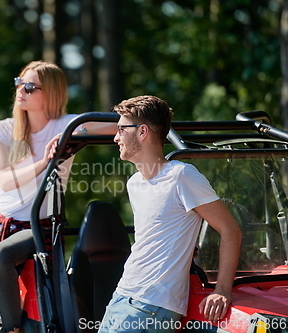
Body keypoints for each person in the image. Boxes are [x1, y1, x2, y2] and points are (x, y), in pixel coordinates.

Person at [0, 60, 114, 333]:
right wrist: (47, 160)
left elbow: (118, 126)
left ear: (50, 93)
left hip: (39, 227)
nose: (20, 90)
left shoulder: (66, 125)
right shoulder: (3, 129)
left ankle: (12, 329)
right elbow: (3, 179)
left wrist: (75, 134)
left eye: (30, 86)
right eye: (19, 82)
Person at [99, 96, 242, 333]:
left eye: (121, 130)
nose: (116, 138)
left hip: (152, 306)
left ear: (142, 131)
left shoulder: (182, 176)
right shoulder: (134, 183)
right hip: (123, 295)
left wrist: (222, 291)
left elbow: (230, 230)